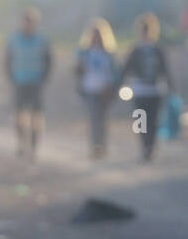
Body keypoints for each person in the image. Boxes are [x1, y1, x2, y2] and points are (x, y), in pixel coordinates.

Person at [117, 13, 176, 162]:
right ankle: (145, 146)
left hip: (155, 90)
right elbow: (126, 69)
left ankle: (150, 146)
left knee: (153, 121)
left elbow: (164, 69)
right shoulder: (135, 50)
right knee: (140, 121)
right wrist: (119, 83)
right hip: (139, 90)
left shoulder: (157, 50)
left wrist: (170, 86)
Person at [3, 8, 52, 161]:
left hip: (35, 82)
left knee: (36, 116)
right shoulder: (14, 39)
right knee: (19, 115)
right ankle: (21, 142)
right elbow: (7, 60)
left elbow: (48, 59)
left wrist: (44, 77)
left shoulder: (41, 39)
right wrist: (11, 77)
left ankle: (34, 146)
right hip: (19, 81)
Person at [74, 18, 118, 158]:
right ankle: (95, 146)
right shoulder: (84, 53)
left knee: (102, 119)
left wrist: (112, 86)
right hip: (89, 89)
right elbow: (77, 71)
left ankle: (102, 145)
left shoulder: (108, 53)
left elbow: (115, 72)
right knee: (94, 118)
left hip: (105, 90)